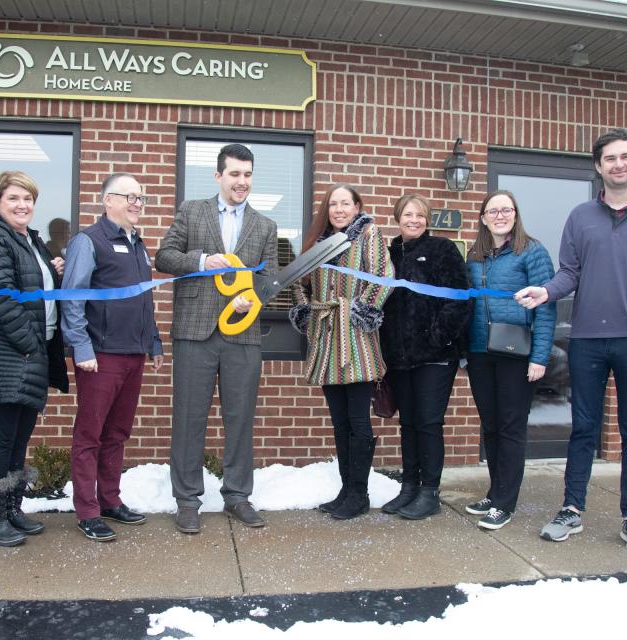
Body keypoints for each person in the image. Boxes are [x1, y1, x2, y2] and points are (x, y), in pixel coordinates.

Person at [516, 129, 627, 555]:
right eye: (609, 158)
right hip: (588, 340)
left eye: (625, 157)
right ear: (598, 166)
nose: (618, 164)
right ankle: (572, 509)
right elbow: (569, 273)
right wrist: (546, 292)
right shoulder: (580, 217)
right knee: (584, 429)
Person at [155, 144, 278, 534]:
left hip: (243, 334)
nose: (241, 182)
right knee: (189, 418)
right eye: (234, 174)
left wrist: (253, 297)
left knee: (240, 419)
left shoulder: (265, 226)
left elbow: (271, 278)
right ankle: (188, 500)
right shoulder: (192, 211)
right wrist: (201, 261)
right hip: (195, 329)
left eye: (247, 174)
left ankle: (238, 495)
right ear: (219, 176)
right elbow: (164, 256)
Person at [0, 170, 69, 547]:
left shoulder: (30, 240)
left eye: (28, 199)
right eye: (13, 199)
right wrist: (29, 343)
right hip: (3, 355)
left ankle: (10, 509)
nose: (23, 206)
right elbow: (0, 295)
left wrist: (53, 272)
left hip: (29, 354)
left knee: (18, 438)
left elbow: (34, 287)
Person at [61, 173, 163, 542]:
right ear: (107, 201)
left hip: (133, 354)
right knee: (90, 434)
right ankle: (87, 510)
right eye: (129, 196)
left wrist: (153, 342)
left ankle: (110, 500)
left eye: (141, 198)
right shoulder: (89, 241)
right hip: (100, 356)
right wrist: (81, 347)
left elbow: (144, 298)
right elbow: (71, 297)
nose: (137, 203)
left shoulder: (139, 244)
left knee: (117, 433)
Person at [289, 184, 393, 520]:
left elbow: (384, 275)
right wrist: (306, 313)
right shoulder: (317, 244)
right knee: (339, 421)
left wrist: (363, 311)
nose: (338, 209)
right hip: (325, 338)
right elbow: (298, 283)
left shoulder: (369, 234)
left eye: (345, 203)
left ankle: (359, 495)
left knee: (358, 420)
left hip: (356, 338)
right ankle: (346, 489)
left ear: (356, 206)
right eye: (333, 204)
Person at [464, 191, 556, 530]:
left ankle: (505, 503)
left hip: (516, 354)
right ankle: (495, 490)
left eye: (506, 209)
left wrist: (540, 356)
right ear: (483, 218)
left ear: (515, 215)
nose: (499, 215)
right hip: (479, 352)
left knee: (511, 427)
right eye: (492, 210)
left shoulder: (532, 251)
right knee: (490, 425)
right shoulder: (475, 256)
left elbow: (546, 307)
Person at [378, 194, 471, 521]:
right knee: (409, 424)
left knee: (429, 423)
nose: (413, 220)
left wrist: (437, 336)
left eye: (419, 215)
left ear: (427, 219)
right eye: (407, 214)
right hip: (399, 358)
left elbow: (461, 299)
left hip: (435, 357)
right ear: (397, 218)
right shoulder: (388, 255)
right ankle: (409, 487)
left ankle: (429, 491)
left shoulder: (442, 250)